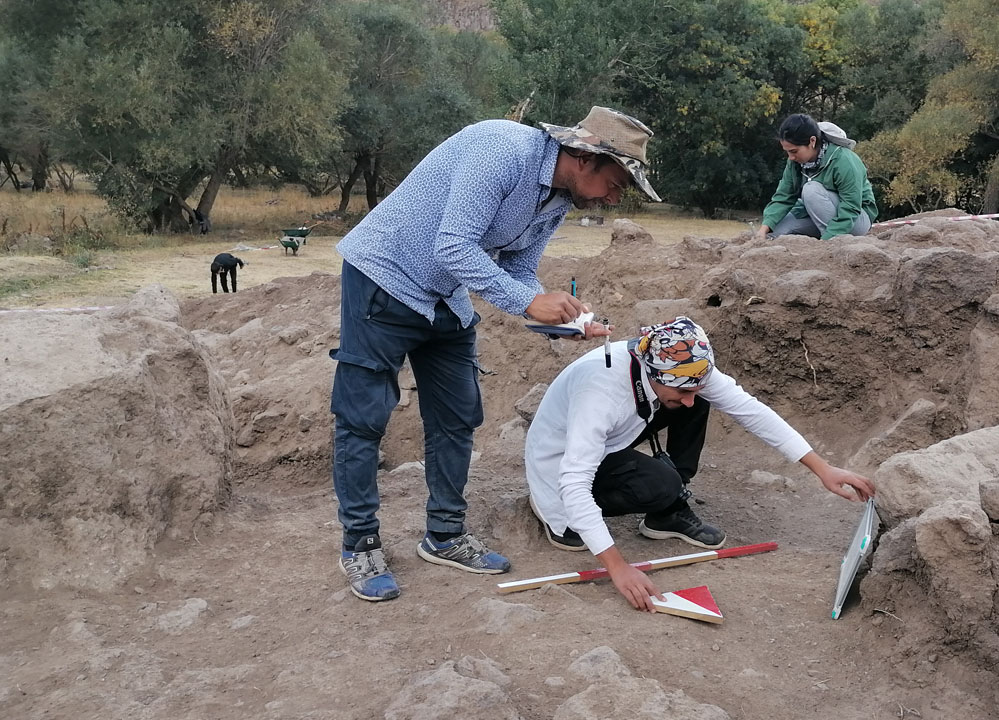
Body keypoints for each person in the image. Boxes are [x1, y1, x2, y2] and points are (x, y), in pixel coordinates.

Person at [330, 106, 662, 602]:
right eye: (615, 183)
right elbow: (452, 246)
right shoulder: (501, 151)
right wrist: (528, 302)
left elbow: (519, 270)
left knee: (458, 415)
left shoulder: (558, 198)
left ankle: (444, 534)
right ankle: (360, 545)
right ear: (584, 157)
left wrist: (563, 321)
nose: (615, 197)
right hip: (384, 276)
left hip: (445, 294)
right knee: (363, 417)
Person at [523, 316, 876, 611]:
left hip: (611, 437)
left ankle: (667, 512)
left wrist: (822, 468)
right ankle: (559, 515)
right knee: (660, 484)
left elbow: (749, 410)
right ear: (655, 375)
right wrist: (618, 567)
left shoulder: (678, 364)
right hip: (559, 466)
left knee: (698, 403)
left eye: (692, 387)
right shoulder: (600, 393)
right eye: (682, 390)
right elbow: (574, 481)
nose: (689, 398)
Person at [755, 114, 878, 240]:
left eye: (794, 151)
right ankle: (827, 234)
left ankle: (832, 238)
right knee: (775, 230)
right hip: (816, 216)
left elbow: (850, 208)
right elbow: (783, 196)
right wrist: (764, 228)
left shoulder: (844, 161)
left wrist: (826, 242)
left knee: (811, 190)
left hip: (856, 219)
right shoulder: (794, 162)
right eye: (787, 152)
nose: (790, 157)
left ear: (812, 141)